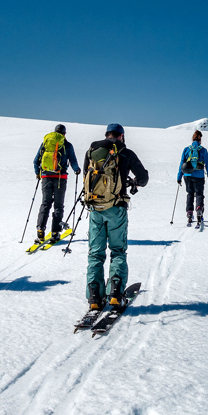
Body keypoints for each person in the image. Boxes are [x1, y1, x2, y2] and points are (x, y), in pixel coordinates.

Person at [82, 123, 148, 310]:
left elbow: (86, 177)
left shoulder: (92, 151)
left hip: (95, 208)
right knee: (118, 250)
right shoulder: (125, 153)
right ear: (121, 136)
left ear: (106, 135)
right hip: (116, 209)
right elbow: (143, 178)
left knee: (95, 253)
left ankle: (94, 297)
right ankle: (115, 294)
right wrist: (134, 182)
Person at [33, 124, 81, 243]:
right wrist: (77, 170)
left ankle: (40, 230)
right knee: (58, 205)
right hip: (60, 177)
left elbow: (36, 161)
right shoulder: (67, 145)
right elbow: (73, 160)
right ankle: (55, 233)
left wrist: (38, 173)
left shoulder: (46, 143)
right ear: (64, 134)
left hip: (46, 177)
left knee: (45, 203)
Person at [176, 130, 208, 226]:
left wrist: (179, 177)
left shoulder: (186, 149)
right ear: (200, 139)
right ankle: (199, 208)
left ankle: (189, 212)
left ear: (192, 139)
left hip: (187, 175)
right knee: (199, 194)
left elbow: (181, 164)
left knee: (190, 193)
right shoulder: (203, 150)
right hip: (199, 176)